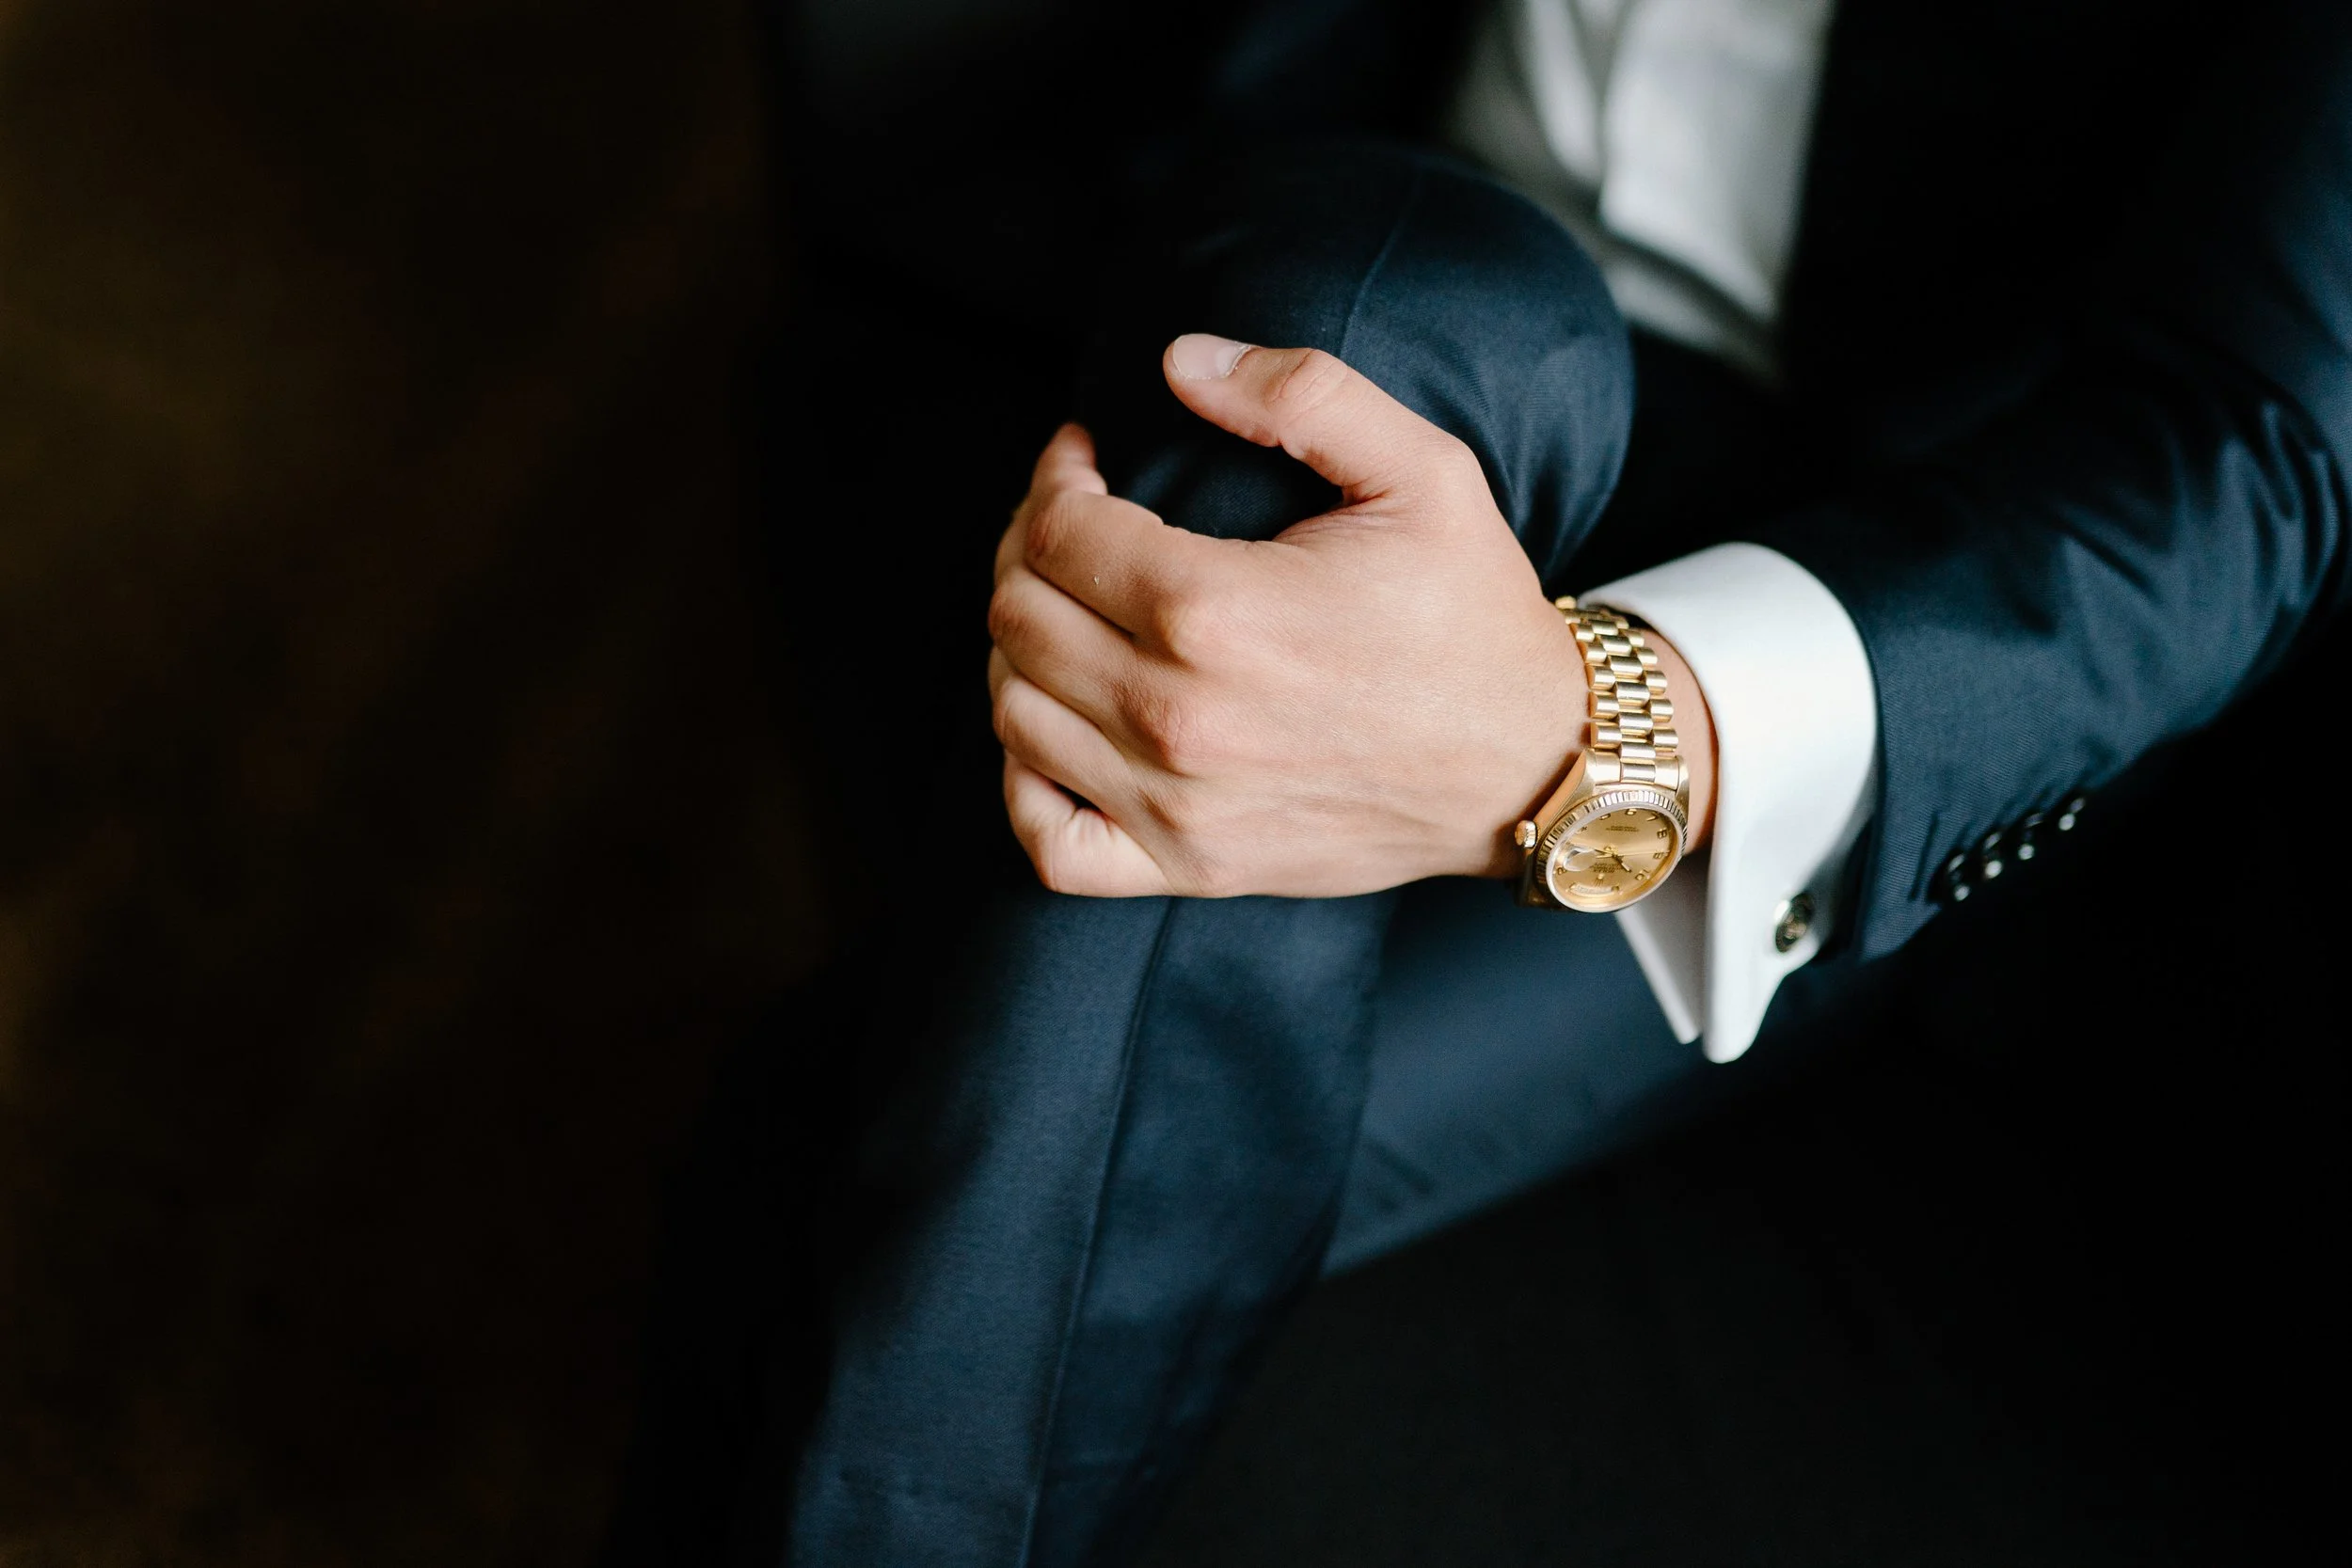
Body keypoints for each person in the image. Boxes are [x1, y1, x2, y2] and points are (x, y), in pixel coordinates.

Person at [605, 1, 2352, 1562]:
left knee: (852, 1135)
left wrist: (1589, 732)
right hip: (1348, 217)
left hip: (1885, 524)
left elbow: (2251, 437)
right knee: (1394, 312)